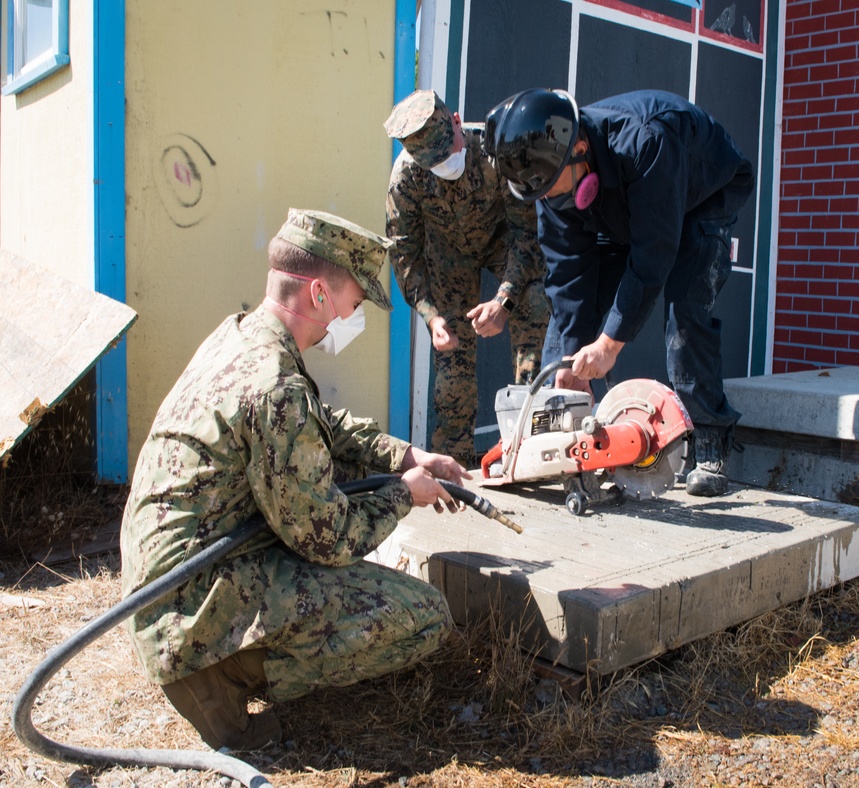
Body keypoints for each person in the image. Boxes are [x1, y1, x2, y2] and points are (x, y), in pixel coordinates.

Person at [120, 209, 470, 751]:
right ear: (318, 295)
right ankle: (220, 677)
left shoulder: (240, 336)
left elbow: (319, 428)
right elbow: (329, 539)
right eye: (355, 303)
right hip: (189, 608)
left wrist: (405, 456)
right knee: (425, 616)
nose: (354, 317)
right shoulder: (273, 386)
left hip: (174, 584)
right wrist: (405, 495)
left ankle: (223, 656)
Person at [484, 88, 755, 497]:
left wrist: (610, 343)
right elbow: (567, 275)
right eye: (543, 194)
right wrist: (572, 361)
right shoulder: (549, 176)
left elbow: (653, 256)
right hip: (623, 210)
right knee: (566, 348)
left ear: (578, 146)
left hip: (702, 198)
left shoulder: (646, 140)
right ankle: (554, 444)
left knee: (686, 311)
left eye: (554, 190)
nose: (551, 200)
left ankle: (711, 441)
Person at [384, 89, 550, 467]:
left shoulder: (496, 152)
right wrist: (431, 315)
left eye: (449, 151)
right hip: (447, 258)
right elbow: (404, 255)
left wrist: (504, 301)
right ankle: (451, 463)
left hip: (501, 242)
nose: (446, 164)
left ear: (457, 122)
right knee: (451, 354)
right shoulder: (405, 180)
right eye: (434, 162)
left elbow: (527, 236)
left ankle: (533, 439)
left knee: (535, 301)